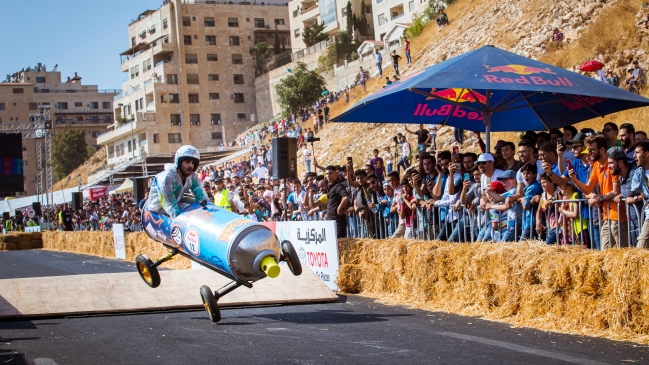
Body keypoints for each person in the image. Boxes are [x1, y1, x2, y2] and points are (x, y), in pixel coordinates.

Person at [569, 136, 626, 249]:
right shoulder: (596, 165)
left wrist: (599, 198)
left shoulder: (612, 165)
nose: (589, 153)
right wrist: (575, 179)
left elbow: (616, 191)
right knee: (605, 252)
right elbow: (588, 189)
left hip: (618, 215)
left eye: (591, 150)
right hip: (606, 215)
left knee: (622, 251)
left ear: (602, 150)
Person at [146, 145, 209, 219]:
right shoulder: (167, 177)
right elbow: (170, 206)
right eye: (187, 162)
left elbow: (202, 197)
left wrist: (208, 208)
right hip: (158, 210)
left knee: (198, 204)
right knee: (190, 209)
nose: (190, 166)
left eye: (193, 163)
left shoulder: (193, 176)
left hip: (176, 201)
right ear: (179, 162)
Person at [630, 139, 649, 247]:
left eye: (637, 152)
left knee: (640, 248)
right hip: (648, 216)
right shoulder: (639, 172)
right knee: (641, 249)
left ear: (646, 154)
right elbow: (634, 190)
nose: (634, 156)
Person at [325, 165, 350, 238]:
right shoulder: (331, 187)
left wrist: (339, 208)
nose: (328, 175)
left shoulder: (337, 186)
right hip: (330, 220)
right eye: (326, 174)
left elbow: (346, 197)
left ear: (336, 174)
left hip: (338, 221)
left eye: (330, 173)